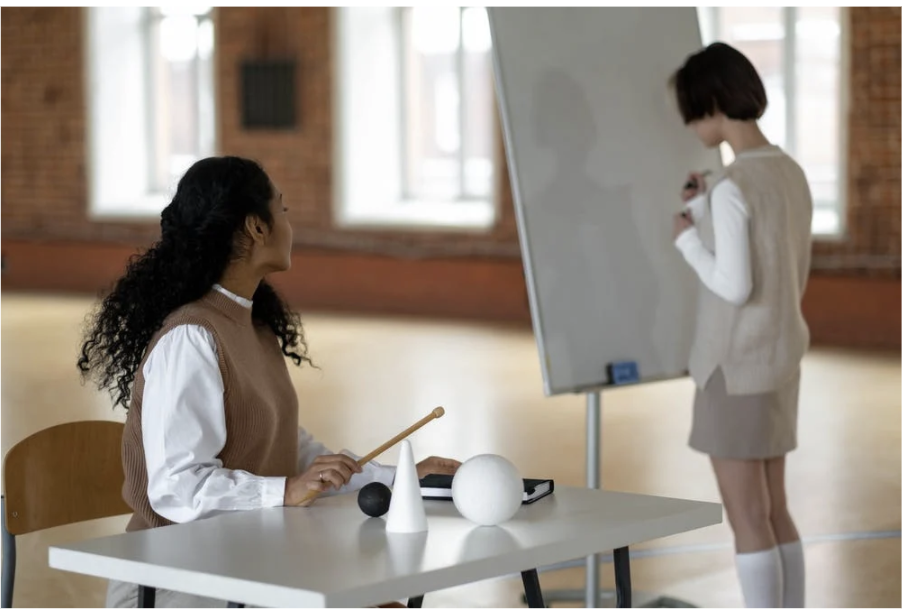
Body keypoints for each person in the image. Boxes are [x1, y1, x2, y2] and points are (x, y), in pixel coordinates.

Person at [78, 156, 460, 607]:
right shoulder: (191, 337)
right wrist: (286, 489)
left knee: (385, 601)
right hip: (173, 580)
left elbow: (290, 449)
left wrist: (402, 479)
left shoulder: (255, 327)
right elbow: (176, 487)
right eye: (283, 211)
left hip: (248, 562)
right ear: (257, 227)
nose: (289, 225)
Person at [669, 43, 813, 608]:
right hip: (779, 362)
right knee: (774, 510)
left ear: (710, 103)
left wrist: (685, 239)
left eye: (691, 111)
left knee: (746, 518)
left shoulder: (733, 186)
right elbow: (773, 258)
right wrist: (707, 212)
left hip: (733, 369)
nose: (689, 124)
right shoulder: (790, 172)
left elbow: (734, 285)